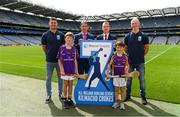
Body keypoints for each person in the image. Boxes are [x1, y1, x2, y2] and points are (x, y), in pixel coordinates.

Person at [124, 17, 149, 105]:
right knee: (128, 79)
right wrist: (130, 55)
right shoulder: (127, 36)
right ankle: (127, 95)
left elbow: (146, 48)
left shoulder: (144, 36)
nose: (134, 25)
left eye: (136, 23)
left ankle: (143, 97)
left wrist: (141, 56)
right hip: (130, 62)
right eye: (133, 23)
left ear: (139, 24)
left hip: (140, 62)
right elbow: (125, 48)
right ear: (131, 25)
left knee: (141, 79)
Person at [41, 17, 64, 103]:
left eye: (55, 23)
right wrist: (48, 54)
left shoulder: (61, 35)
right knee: (48, 78)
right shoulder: (45, 35)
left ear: (57, 24)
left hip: (59, 61)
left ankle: (60, 93)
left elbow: (63, 47)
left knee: (60, 78)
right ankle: (48, 95)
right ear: (49, 24)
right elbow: (43, 47)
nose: (53, 24)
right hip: (49, 61)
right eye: (52, 23)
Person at [57, 32, 78, 109]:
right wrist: (61, 69)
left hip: (72, 70)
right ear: (65, 39)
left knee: (71, 85)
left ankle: (70, 99)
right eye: (67, 38)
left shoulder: (74, 49)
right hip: (64, 71)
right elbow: (59, 60)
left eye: (70, 38)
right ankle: (65, 100)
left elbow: (75, 60)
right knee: (65, 84)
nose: (69, 39)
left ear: (72, 40)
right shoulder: (61, 48)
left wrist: (76, 70)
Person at [106, 41, 128, 110]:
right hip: (115, 76)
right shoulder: (113, 56)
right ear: (115, 48)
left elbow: (127, 65)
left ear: (123, 48)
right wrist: (107, 73)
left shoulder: (125, 56)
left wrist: (126, 71)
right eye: (117, 47)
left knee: (123, 90)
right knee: (116, 89)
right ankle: (116, 102)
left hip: (123, 76)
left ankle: (122, 103)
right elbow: (109, 65)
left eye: (120, 47)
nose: (119, 49)